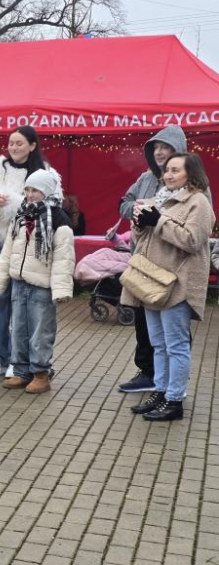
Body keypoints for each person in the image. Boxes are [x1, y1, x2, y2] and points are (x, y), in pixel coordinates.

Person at [122, 153, 214, 421]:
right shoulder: (161, 198)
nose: (169, 175)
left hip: (178, 284)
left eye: (175, 170)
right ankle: (161, 392)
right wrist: (139, 223)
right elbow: (143, 239)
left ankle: (175, 400)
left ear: (191, 173)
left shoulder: (198, 202)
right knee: (158, 345)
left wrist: (158, 221)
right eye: (166, 170)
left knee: (176, 346)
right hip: (152, 283)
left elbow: (193, 240)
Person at [0, 126, 61, 378]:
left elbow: (51, 207)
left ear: (32, 145)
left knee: (22, 304)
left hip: (28, 247)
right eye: (11, 142)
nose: (13, 147)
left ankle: (19, 361)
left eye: (19, 143)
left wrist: (12, 202)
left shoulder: (45, 172)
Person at [0, 169, 75, 394]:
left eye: (35, 190)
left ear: (46, 191)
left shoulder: (58, 220)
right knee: (19, 329)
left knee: (40, 331)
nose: (30, 194)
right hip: (19, 282)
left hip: (41, 285)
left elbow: (64, 257)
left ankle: (40, 372)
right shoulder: (20, 216)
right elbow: (8, 250)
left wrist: (61, 288)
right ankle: (21, 370)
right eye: (27, 189)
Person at [116, 125, 187, 394]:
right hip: (142, 261)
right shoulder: (145, 178)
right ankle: (149, 374)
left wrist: (156, 211)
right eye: (155, 147)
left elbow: (193, 223)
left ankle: (173, 386)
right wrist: (137, 206)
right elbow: (123, 204)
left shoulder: (192, 184)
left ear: (178, 150)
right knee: (146, 324)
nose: (158, 152)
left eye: (165, 147)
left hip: (171, 262)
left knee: (174, 329)